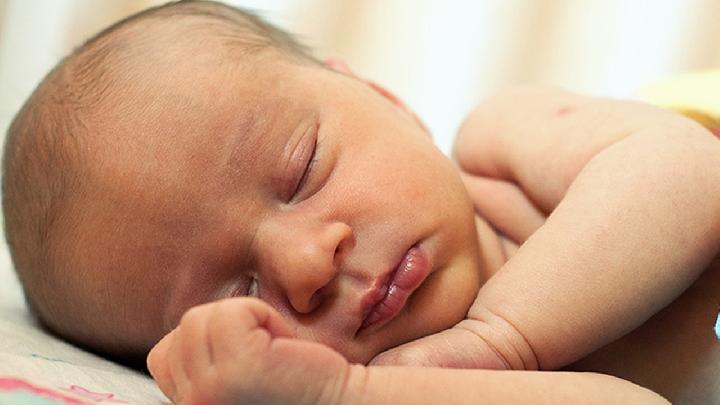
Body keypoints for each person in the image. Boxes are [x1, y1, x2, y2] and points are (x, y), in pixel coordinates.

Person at [3, 1, 718, 403]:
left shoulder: (504, 146)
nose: (308, 261)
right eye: (242, 290)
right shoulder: (395, 391)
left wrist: (502, 338)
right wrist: (343, 396)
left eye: (301, 168)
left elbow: (688, 170)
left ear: (384, 97)